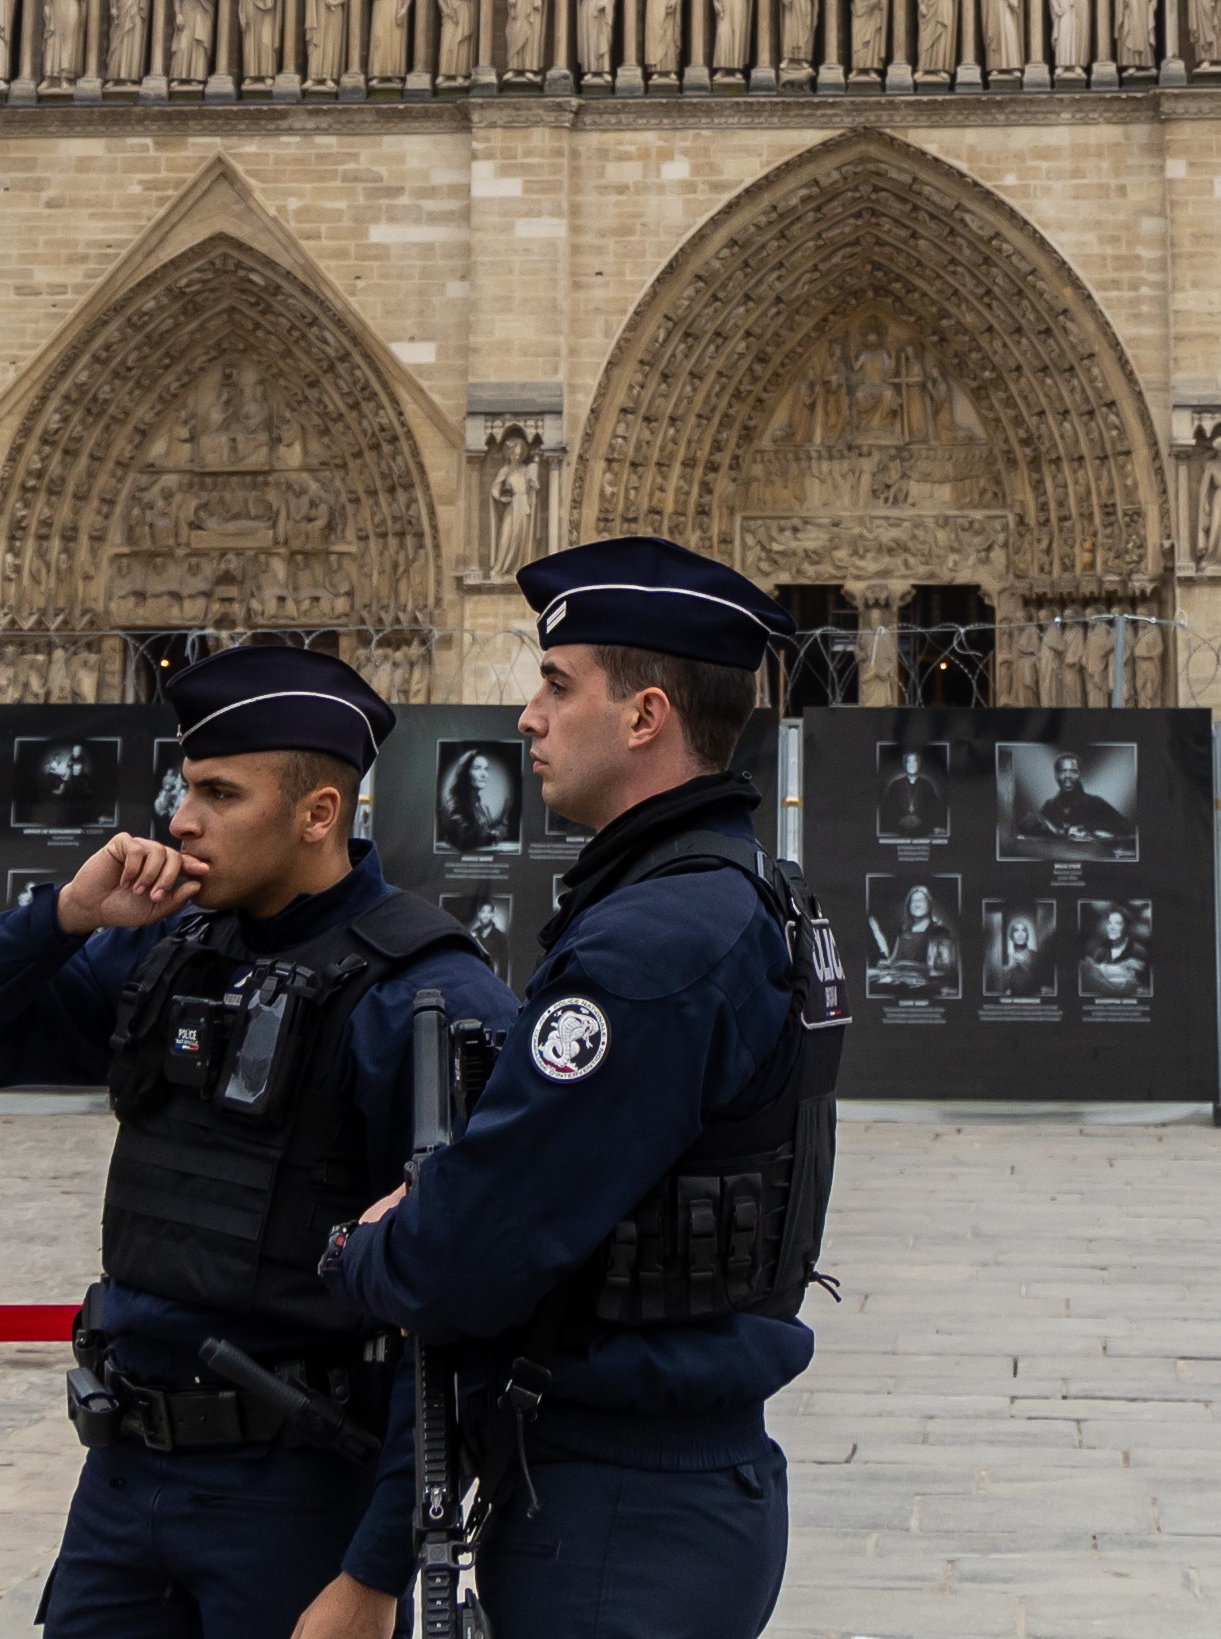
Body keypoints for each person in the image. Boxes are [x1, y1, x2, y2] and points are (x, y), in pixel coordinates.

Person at [0, 645, 517, 1639]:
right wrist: (62, 916)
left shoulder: (423, 995)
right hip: (125, 1474)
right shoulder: (165, 948)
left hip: (295, 1493)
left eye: (219, 793)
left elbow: (466, 1311)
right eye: (186, 789)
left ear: (318, 813)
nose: (180, 820)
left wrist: (375, 1570)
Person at [325, 537, 845, 1639]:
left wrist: (366, 1247)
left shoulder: (655, 939)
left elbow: (481, 1241)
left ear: (646, 714)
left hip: (622, 1506)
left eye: (558, 685)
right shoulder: (724, 895)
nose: (527, 716)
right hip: (666, 1484)